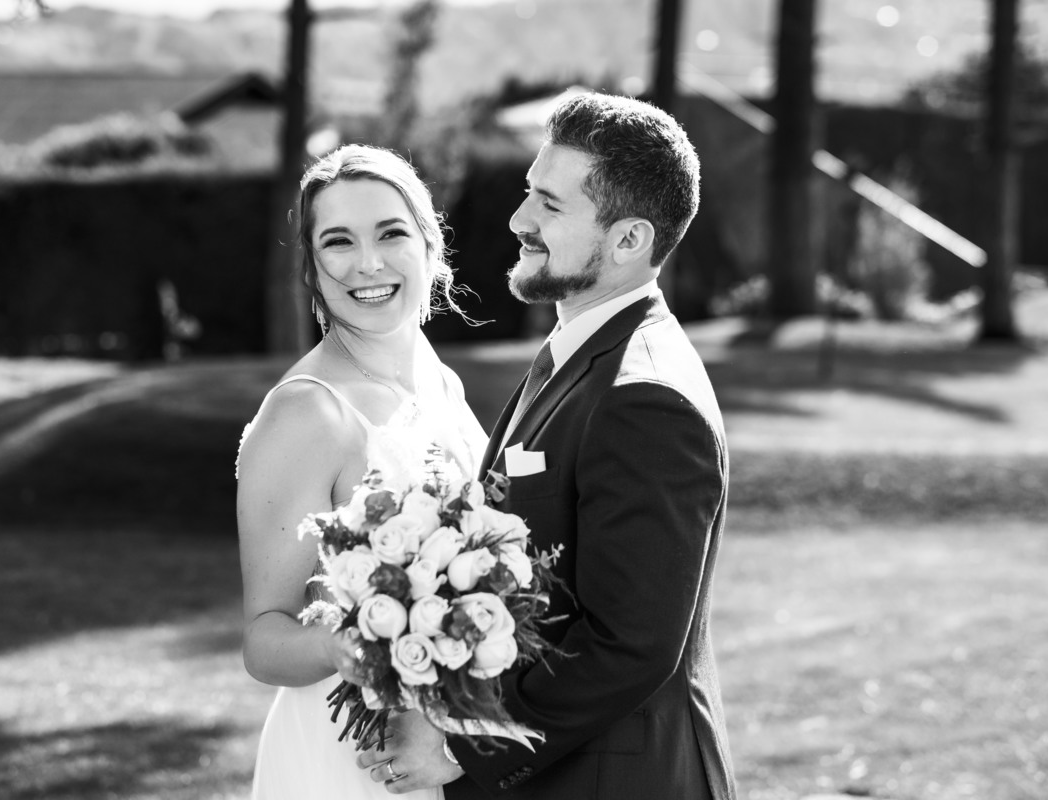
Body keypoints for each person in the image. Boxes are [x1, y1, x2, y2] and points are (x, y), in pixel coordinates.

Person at [357, 93, 737, 799]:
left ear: (629, 240)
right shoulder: (582, 351)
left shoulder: (644, 399)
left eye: (550, 205)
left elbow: (630, 643)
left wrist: (468, 743)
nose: (519, 219)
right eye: (530, 190)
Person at [236, 144, 489, 799]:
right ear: (312, 268)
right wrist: (344, 647)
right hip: (349, 760)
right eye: (339, 241)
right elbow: (263, 637)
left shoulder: (442, 382)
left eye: (391, 233)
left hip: (444, 746)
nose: (369, 263)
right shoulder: (308, 412)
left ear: (430, 244)